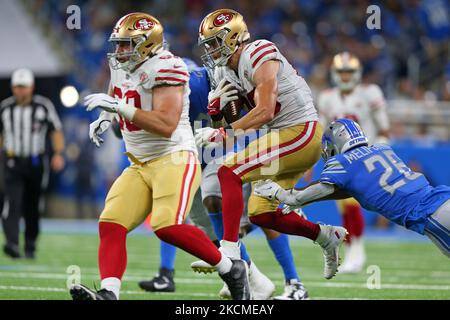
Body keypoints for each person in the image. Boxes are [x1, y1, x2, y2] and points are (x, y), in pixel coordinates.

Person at [70, 12, 251, 301]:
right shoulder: (120, 64)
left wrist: (119, 108)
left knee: (166, 226)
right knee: (111, 223)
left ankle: (231, 269)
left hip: (174, 157)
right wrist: (106, 116)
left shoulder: (168, 67)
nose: (119, 51)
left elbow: (166, 125)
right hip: (139, 162)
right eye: (118, 44)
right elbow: (116, 89)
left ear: (146, 44)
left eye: (126, 45)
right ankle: (109, 293)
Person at [194, 9, 347, 280]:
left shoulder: (259, 52)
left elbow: (264, 111)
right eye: (208, 45)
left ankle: (229, 251)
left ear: (234, 37)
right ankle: (324, 235)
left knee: (229, 171)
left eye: (216, 42)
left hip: (301, 131)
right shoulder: (224, 71)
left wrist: (223, 133)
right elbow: (231, 128)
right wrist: (217, 112)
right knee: (260, 214)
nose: (212, 50)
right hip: (280, 137)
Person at [254, 119, 450, 259]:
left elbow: (298, 198)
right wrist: (306, 199)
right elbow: (347, 190)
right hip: (441, 198)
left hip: (429, 215)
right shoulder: (383, 148)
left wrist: (278, 192)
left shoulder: (344, 162)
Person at [317, 52, 391, 273]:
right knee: (345, 208)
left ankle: (356, 252)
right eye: (342, 72)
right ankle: (354, 251)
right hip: (339, 160)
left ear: (357, 73)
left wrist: (377, 153)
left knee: (351, 205)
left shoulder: (370, 93)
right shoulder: (327, 97)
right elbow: (322, 133)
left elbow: (384, 129)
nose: (346, 76)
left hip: (364, 157)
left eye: (349, 72)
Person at [0, 68, 65, 259]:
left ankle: (30, 244)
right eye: (18, 87)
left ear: (31, 87)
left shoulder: (43, 106)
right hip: (12, 161)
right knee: (12, 203)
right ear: (13, 88)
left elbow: (56, 130)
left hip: (36, 162)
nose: (21, 91)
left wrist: (58, 153)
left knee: (33, 205)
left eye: (24, 87)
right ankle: (12, 243)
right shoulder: (5, 108)